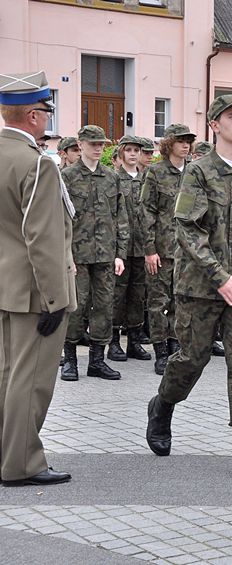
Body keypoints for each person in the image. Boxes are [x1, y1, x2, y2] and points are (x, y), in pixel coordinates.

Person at [145, 94, 232, 477]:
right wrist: (219, 277)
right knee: (192, 360)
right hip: (200, 288)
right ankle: (162, 406)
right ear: (215, 125)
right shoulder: (198, 172)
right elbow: (187, 229)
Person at [0, 71, 76, 486]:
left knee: (6, 375)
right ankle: (22, 463)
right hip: (33, 291)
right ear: (32, 115)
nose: (47, 118)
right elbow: (42, 237)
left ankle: (5, 455)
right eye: (45, 111)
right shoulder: (37, 164)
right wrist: (56, 298)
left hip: (3, 286)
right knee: (30, 382)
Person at [60, 125, 128, 382]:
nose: (98, 148)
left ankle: (97, 361)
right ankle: (70, 360)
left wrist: (120, 253)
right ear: (81, 144)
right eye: (93, 143)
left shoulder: (112, 177)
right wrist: (65, 254)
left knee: (104, 306)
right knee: (75, 307)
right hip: (77, 254)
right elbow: (60, 218)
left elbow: (121, 217)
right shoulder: (67, 176)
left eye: (101, 144)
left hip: (105, 255)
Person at [140, 123, 195, 375]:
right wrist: (150, 249)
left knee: (180, 303)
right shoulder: (156, 173)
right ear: (169, 144)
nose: (185, 145)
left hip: (188, 252)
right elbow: (147, 211)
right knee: (158, 303)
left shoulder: (194, 173)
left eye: (188, 141)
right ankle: (161, 352)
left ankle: (176, 349)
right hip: (162, 250)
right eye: (181, 141)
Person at [109, 135, 151, 362]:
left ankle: (134, 341)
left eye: (137, 150)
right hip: (121, 248)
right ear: (122, 153)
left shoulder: (147, 180)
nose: (134, 154)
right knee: (117, 295)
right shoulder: (114, 179)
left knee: (138, 294)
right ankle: (114, 341)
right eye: (130, 150)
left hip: (143, 246)